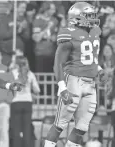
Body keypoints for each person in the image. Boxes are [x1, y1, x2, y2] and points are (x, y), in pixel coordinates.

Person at [44, 2, 109, 147]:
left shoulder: (95, 31)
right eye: (88, 16)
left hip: (90, 83)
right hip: (73, 81)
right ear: (77, 17)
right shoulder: (69, 33)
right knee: (60, 124)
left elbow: (89, 58)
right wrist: (62, 87)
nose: (93, 18)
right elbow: (58, 63)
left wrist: (99, 70)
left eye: (93, 15)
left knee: (82, 127)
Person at [9, 56, 40, 147]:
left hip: (15, 103)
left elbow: (8, 88)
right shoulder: (30, 74)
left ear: (16, 64)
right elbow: (37, 90)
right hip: (27, 103)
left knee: (16, 128)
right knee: (27, 128)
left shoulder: (12, 74)